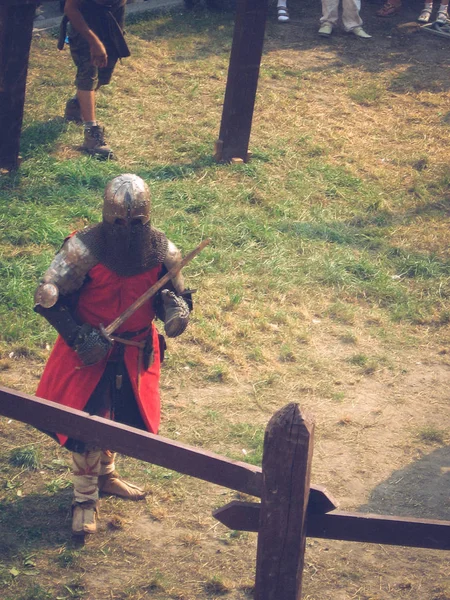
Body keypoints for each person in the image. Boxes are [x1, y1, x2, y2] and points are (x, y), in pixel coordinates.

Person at [34, 174, 193, 536]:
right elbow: (47, 294)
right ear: (106, 217)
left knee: (121, 419)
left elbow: (177, 298)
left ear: (147, 219)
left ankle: (106, 475)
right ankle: (84, 499)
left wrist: (176, 309)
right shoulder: (84, 249)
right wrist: (78, 336)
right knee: (87, 425)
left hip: (136, 350)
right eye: (119, 222)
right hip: (91, 350)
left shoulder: (163, 251)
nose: (127, 230)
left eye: (136, 223)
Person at [58, 0, 131, 158]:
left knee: (103, 77)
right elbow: (70, 8)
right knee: (88, 76)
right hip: (85, 24)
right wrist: (94, 41)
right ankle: (91, 134)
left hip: (113, 20)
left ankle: (76, 104)